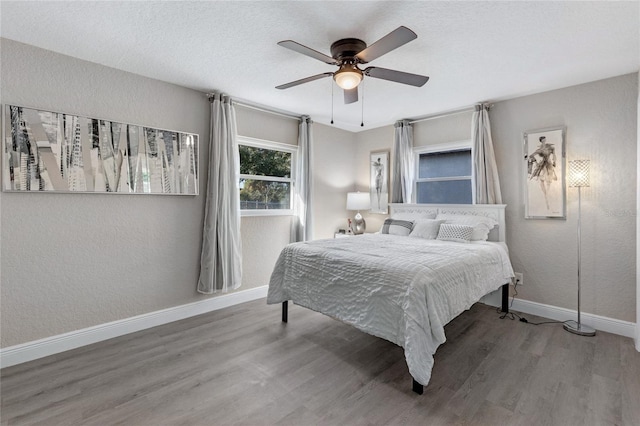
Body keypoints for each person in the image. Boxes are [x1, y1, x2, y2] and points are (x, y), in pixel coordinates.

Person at [527, 136, 557, 210]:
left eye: (545, 140)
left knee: (549, 180)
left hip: (549, 163)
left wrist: (554, 161)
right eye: (543, 140)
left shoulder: (550, 147)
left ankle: (547, 197)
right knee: (541, 178)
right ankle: (546, 198)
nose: (544, 141)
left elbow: (554, 154)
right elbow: (531, 156)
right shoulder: (539, 150)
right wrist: (536, 162)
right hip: (543, 163)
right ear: (541, 141)